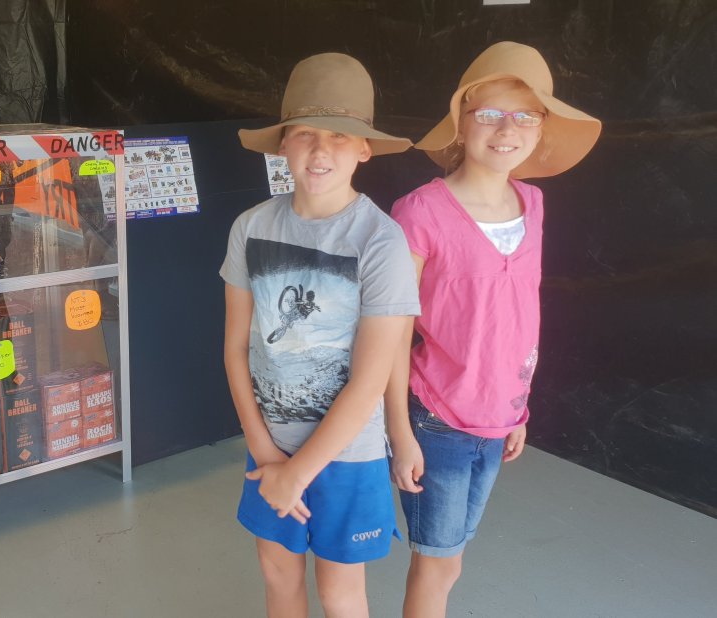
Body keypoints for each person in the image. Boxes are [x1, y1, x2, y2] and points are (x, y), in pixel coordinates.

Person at [384, 42, 601, 618]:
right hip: (437, 419)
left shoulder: (533, 202)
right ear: (461, 122)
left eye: (526, 115)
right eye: (489, 113)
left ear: (541, 127)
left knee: (452, 560)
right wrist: (399, 432)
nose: (508, 129)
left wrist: (517, 411)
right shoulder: (420, 213)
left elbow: (515, 317)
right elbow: (391, 332)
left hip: (498, 419)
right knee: (435, 564)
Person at [221, 53, 421, 617]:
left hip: (349, 456)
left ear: (364, 149)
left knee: (339, 591)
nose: (320, 149)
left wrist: (299, 473)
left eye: (339, 136)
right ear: (283, 144)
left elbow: (370, 380)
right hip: (270, 448)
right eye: (305, 133)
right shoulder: (251, 227)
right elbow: (236, 349)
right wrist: (268, 456)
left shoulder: (381, 242)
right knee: (277, 572)